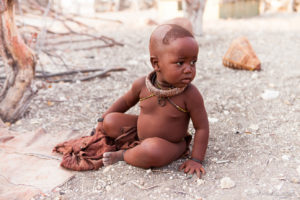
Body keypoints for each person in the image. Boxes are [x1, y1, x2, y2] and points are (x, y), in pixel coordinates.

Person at [95, 23, 209, 178]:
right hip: (140, 133)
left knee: (152, 150)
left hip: (170, 144)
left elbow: (202, 128)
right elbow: (125, 102)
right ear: (156, 64)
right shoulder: (142, 85)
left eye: (193, 62)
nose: (189, 69)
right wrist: (102, 120)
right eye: (180, 63)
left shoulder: (190, 94)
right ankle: (138, 149)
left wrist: (196, 159)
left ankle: (123, 155)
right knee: (110, 121)